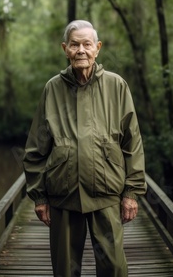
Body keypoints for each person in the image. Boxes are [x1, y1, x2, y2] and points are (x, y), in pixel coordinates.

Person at [23, 20, 147, 277]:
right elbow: (36, 148)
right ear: (65, 48)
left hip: (107, 195)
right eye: (75, 44)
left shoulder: (117, 86)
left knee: (113, 268)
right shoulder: (52, 88)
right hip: (63, 197)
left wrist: (131, 192)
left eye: (87, 44)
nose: (81, 50)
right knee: (65, 270)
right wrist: (40, 197)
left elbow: (132, 143)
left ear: (97, 48)